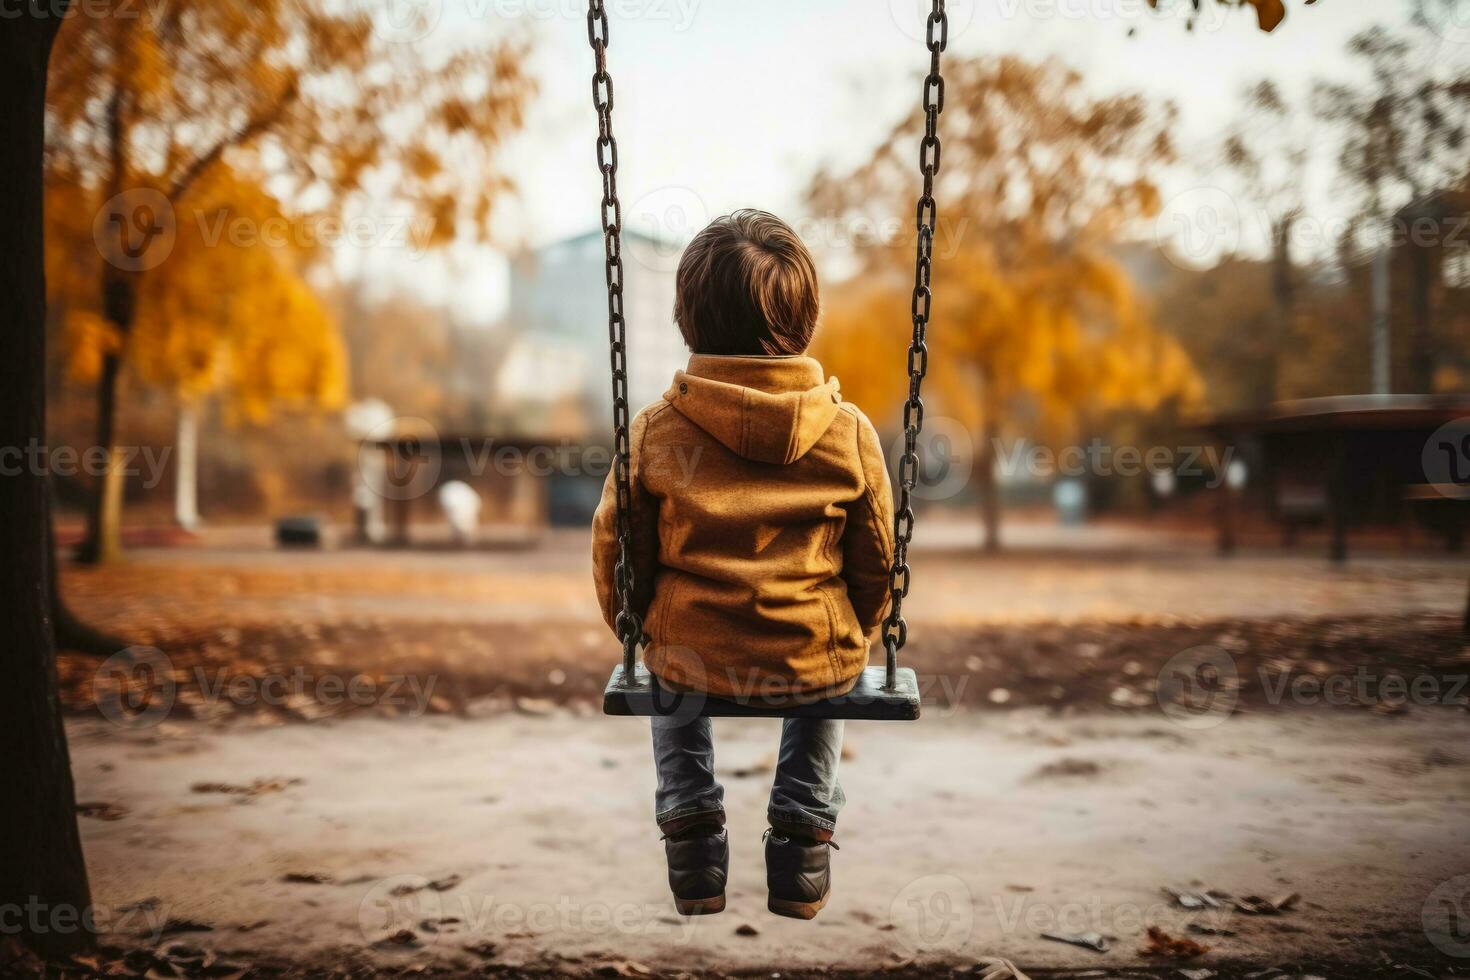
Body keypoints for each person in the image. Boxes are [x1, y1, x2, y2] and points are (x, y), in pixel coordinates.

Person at [592, 209, 896, 920]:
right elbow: (877, 558)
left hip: (693, 648)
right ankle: (803, 831)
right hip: (807, 649)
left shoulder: (659, 432)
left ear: (686, 318)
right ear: (806, 320)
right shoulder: (848, 432)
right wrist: (860, 626)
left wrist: (631, 629)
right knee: (832, 661)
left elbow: (617, 551)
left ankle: (692, 827)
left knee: (670, 659)